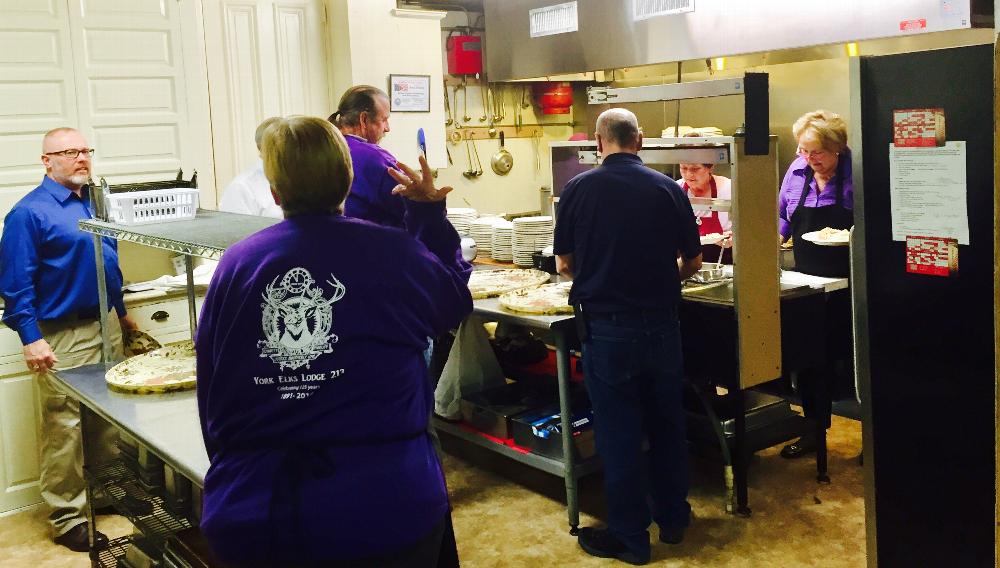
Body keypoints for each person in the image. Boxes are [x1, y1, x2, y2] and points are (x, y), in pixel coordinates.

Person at [195, 116, 472, 567]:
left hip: (261, 509)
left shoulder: (236, 265)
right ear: (347, 180)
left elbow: (212, 388)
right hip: (384, 506)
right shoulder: (391, 253)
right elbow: (450, 302)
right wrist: (426, 215)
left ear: (275, 192)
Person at [554, 108, 702, 565]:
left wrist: (599, 277)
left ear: (600, 143)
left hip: (608, 328)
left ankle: (631, 539)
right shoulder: (668, 188)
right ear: (639, 139)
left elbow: (563, 264)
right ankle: (674, 520)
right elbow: (693, 260)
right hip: (662, 325)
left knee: (619, 433)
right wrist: (664, 281)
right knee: (666, 424)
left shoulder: (578, 188)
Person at [0, 127, 137, 552]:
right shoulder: (28, 214)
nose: (81, 158)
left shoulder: (95, 203)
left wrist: (123, 315)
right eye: (69, 152)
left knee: (105, 418)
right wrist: (30, 338)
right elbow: (15, 284)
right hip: (61, 333)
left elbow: (107, 263)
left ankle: (103, 494)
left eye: (85, 150)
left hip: (105, 324)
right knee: (65, 425)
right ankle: (68, 518)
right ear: (47, 161)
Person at [776, 109, 855, 459]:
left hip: (853, 282)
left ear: (837, 148)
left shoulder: (857, 171)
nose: (808, 160)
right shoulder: (796, 171)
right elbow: (782, 215)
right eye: (803, 151)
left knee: (854, 361)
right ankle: (813, 431)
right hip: (807, 281)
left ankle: (877, 442)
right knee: (809, 359)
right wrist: (767, 239)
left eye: (816, 153)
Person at [328, 85, 404, 228]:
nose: (387, 128)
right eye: (384, 120)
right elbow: (411, 212)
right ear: (363, 119)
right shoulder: (375, 159)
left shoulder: (319, 150)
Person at [678, 131, 733, 264]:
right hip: (686, 263)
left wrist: (734, 238)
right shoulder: (676, 189)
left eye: (695, 169)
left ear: (711, 167)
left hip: (722, 263)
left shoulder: (728, 189)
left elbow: (747, 230)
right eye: (683, 168)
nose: (688, 174)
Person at [218, 117, 283, 218]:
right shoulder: (241, 187)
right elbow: (237, 231)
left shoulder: (303, 178)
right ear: (260, 147)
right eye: (276, 144)